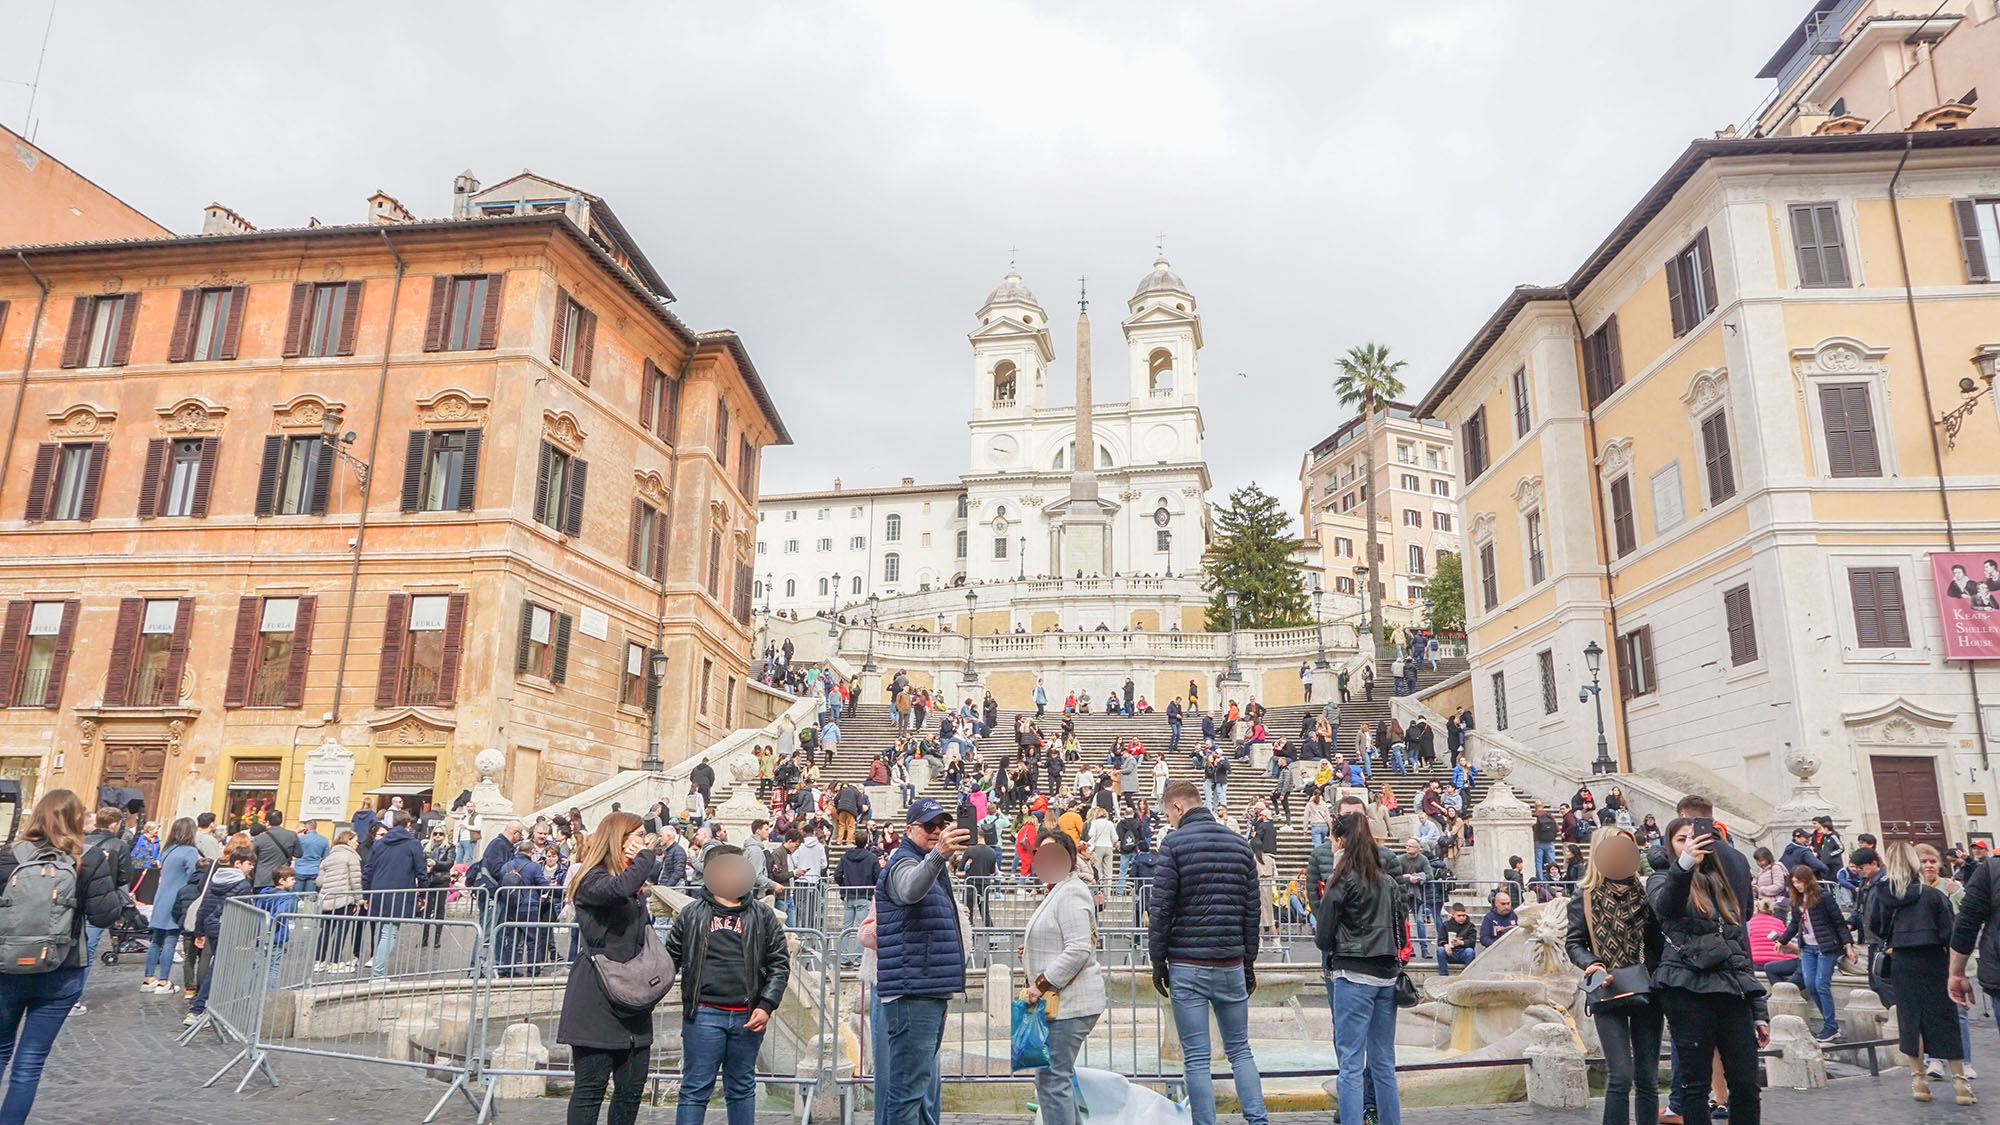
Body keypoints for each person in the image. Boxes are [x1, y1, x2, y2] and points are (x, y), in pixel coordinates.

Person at [1148, 779, 1267, 1125]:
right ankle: (1258, 1120)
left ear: (1178, 808)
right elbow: (1252, 910)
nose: (1169, 821)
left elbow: (1161, 909)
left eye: (1168, 814)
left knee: (1197, 1058)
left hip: (1188, 962)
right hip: (1230, 961)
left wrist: (1158, 961)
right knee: (1240, 1050)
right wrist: (1248, 962)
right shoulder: (1239, 845)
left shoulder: (1174, 844)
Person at [0, 790, 122, 1120]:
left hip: (5, 969)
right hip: (60, 972)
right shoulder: (90, 858)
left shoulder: (6, 856)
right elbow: (103, 916)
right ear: (77, 820)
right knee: (29, 1063)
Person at [1651, 816, 1768, 1125]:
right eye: (1681, 839)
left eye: (1696, 837)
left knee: (1746, 1084)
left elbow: (1738, 946)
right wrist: (1686, 863)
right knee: (1695, 1085)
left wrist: (1759, 1009)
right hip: (1687, 988)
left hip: (1731, 989)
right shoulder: (1662, 879)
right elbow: (1668, 908)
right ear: (1670, 845)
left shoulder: (1719, 881)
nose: (1690, 842)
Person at [664, 845, 790, 1125]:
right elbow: (668, 959)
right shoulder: (691, 914)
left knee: (742, 1088)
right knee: (696, 1089)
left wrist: (767, 1004)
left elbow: (779, 963)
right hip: (704, 1013)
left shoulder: (762, 915)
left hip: (748, 1015)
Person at [561, 811, 663, 1125]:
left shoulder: (631, 886)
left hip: (633, 999)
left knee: (631, 1091)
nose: (645, 843)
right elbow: (618, 888)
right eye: (639, 837)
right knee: (590, 1089)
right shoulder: (592, 879)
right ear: (619, 841)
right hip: (597, 999)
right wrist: (646, 856)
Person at [874, 798, 970, 1125]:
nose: (938, 832)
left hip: (926, 990)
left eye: (942, 825)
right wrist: (938, 854)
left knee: (916, 1090)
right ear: (909, 829)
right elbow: (909, 891)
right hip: (913, 992)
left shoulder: (927, 863)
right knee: (907, 1093)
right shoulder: (902, 861)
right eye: (930, 826)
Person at [1567, 827, 1664, 1125]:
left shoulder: (1649, 893)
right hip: (1606, 988)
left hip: (1647, 988)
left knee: (1647, 1078)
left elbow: (1660, 942)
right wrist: (1592, 963)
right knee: (1621, 1075)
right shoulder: (1584, 896)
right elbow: (1573, 942)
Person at [1314, 811, 1404, 1125]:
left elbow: (1323, 935)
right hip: (1387, 977)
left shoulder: (1342, 879)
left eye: (1332, 838)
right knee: (1383, 1063)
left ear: (1341, 841)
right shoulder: (1389, 881)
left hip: (1352, 975)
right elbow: (1401, 933)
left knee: (1351, 1064)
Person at [1869, 841, 1968, 1104]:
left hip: (1902, 960)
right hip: (1934, 960)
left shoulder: (1882, 894)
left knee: (1911, 1020)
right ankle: (1960, 1084)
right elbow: (1951, 933)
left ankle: (1918, 1081)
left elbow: (1876, 927)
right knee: (1944, 1018)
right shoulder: (1933, 895)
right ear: (1915, 863)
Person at [1021, 830, 1104, 1125]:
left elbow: (1079, 948)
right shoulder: (1058, 889)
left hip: (1069, 1003)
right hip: (1062, 1003)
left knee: (1052, 1081)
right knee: (1057, 1079)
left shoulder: (1070, 891)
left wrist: (1041, 983)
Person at [187, 844, 260, 1026]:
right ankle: (199, 1009)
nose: (251, 867)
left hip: (212, 927)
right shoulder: (242, 885)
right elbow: (246, 912)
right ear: (238, 864)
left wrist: (200, 931)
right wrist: (251, 933)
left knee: (218, 967)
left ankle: (208, 1007)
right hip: (230, 930)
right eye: (248, 864)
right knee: (220, 969)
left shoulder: (216, 879)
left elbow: (205, 905)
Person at [1775, 866, 1847, 1042]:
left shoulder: (1824, 897)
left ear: (1808, 880)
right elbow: (1794, 924)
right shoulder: (1797, 900)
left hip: (1826, 946)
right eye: (1794, 883)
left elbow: (1838, 921)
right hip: (1808, 946)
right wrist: (1782, 940)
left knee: (1821, 984)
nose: (1798, 886)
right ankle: (1829, 1024)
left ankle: (1831, 1026)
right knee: (1810, 984)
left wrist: (1848, 944)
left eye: (1800, 882)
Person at [362, 810, 427, 978]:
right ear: (408, 825)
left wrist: (366, 894)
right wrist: (423, 894)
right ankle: (377, 973)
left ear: (392, 824)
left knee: (382, 930)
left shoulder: (379, 843)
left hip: (378, 890)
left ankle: (377, 967)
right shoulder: (413, 844)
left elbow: (368, 870)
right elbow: (421, 871)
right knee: (388, 933)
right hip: (399, 892)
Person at [1435, 902, 1478, 976]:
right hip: (1450, 952)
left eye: (1463, 915)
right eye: (1459, 916)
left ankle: (1467, 976)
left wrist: (1461, 942)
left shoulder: (1470, 926)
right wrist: (1445, 945)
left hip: (1463, 951)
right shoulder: (1446, 925)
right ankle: (1443, 975)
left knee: (1470, 951)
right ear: (1453, 915)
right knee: (1440, 950)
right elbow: (1440, 939)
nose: (1462, 918)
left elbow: (1472, 942)